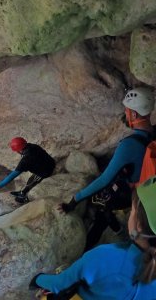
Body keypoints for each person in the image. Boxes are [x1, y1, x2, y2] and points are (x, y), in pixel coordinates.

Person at [59, 87, 154, 250]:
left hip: (137, 193)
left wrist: (74, 201)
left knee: (102, 208)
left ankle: (95, 244)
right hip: (151, 184)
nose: (126, 114)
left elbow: (104, 180)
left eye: (127, 111)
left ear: (134, 114)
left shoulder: (129, 145)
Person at [29, 177, 156, 299]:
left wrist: (38, 279)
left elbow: (60, 284)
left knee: (51, 288)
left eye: (132, 211)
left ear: (138, 225)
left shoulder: (107, 256)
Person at [0, 137, 56, 204]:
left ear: (18, 150)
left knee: (34, 181)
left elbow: (12, 175)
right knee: (31, 180)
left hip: (45, 170)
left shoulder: (25, 160)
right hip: (49, 163)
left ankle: (26, 198)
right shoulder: (32, 146)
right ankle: (23, 192)